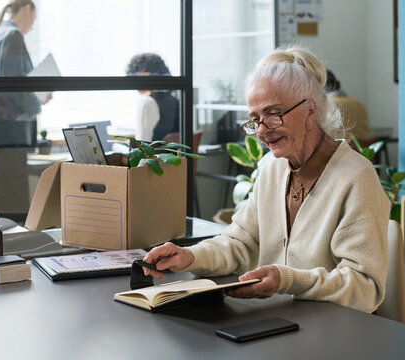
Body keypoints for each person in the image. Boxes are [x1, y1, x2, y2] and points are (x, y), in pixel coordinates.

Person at [143, 47, 390, 313]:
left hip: (335, 332)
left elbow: (365, 287)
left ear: (310, 110)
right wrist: (190, 256)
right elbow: (240, 243)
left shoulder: (356, 177)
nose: (261, 131)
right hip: (281, 322)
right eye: (254, 120)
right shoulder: (272, 168)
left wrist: (287, 280)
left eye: (273, 114)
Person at [0, 0, 50, 213]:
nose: (32, 25)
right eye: (34, 19)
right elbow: (15, 84)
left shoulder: (0, 34)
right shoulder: (12, 36)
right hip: (10, 133)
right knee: (13, 204)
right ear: (27, 9)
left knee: (4, 200)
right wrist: (37, 102)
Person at [126, 53, 179, 141]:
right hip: (169, 153)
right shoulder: (174, 99)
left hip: (153, 154)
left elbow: (142, 144)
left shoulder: (146, 101)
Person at [325, 69, 370, 141]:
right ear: (338, 84)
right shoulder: (359, 104)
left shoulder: (325, 106)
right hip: (363, 151)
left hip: (339, 151)